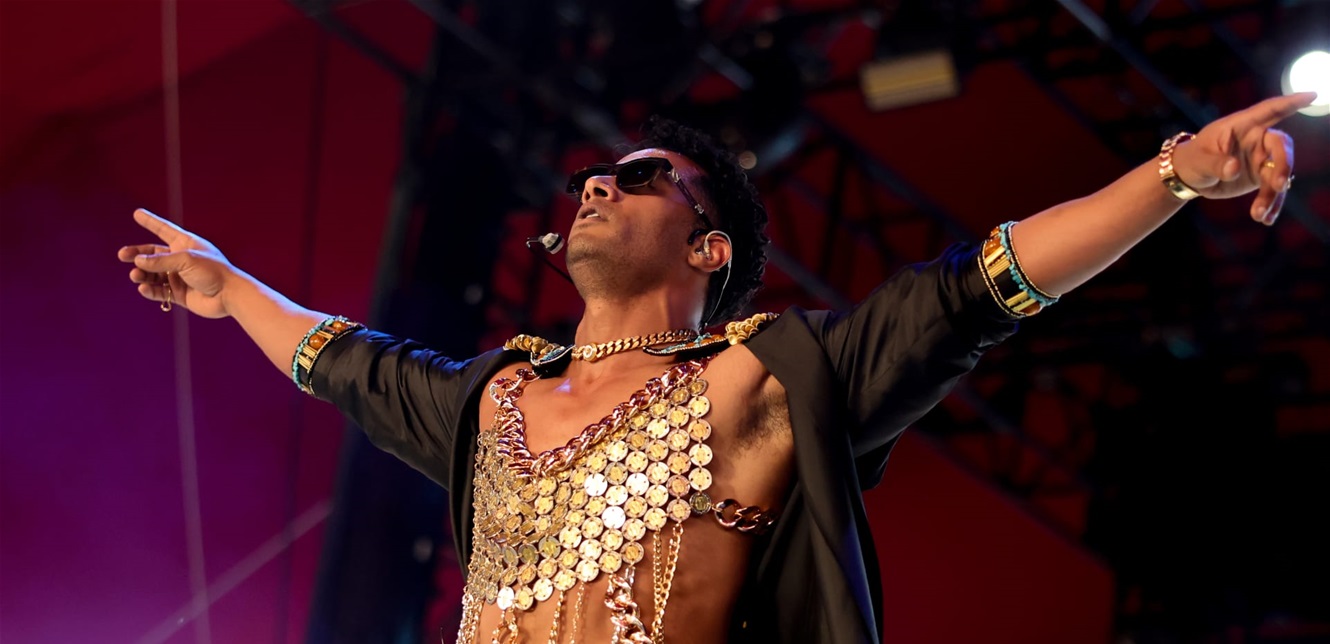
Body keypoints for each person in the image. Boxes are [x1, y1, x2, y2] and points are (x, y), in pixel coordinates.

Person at [119, 93, 1316, 643]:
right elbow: (351, 364)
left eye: (643, 180)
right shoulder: (494, 400)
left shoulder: (757, 383)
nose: (598, 181)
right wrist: (230, 290)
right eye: (595, 176)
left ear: (707, 248)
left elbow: (975, 291)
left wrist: (1173, 176)